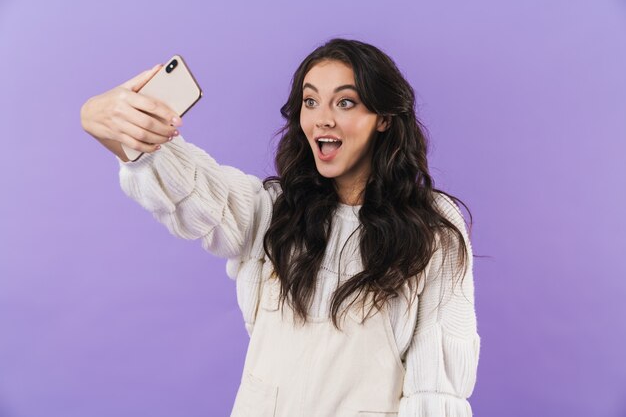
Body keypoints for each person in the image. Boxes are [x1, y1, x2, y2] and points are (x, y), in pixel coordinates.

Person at [80, 38, 480, 417]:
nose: (322, 119)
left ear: (384, 119)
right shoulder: (274, 212)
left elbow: (435, 390)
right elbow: (190, 187)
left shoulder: (432, 229)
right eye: (310, 101)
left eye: (345, 102)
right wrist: (101, 119)